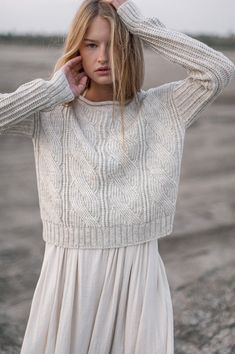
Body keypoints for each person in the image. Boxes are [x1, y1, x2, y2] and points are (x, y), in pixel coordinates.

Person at [0, 0, 234, 353]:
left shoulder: (162, 108)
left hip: (135, 270)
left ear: (130, 46)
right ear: (77, 48)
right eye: (92, 45)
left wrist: (138, 22)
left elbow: (217, 70)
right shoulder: (49, 115)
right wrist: (51, 91)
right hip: (69, 274)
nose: (103, 57)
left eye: (115, 44)